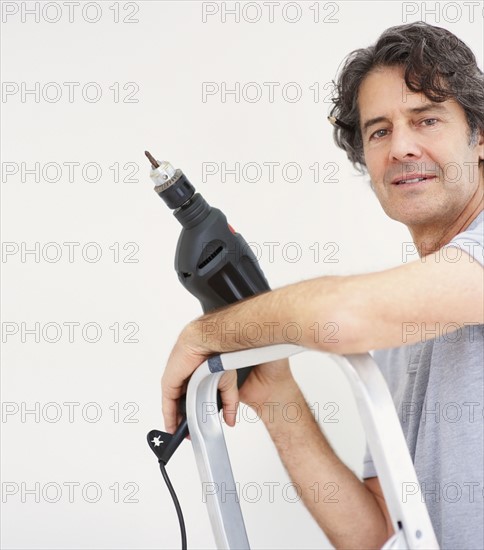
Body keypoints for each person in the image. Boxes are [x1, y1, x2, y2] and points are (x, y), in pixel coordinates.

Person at [161, 22, 484, 549]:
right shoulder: (407, 324)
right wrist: (276, 390)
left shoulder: (389, 307)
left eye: (426, 119)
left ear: (480, 137)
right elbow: (375, 531)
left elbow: (338, 318)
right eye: (379, 130)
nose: (401, 147)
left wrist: (209, 332)